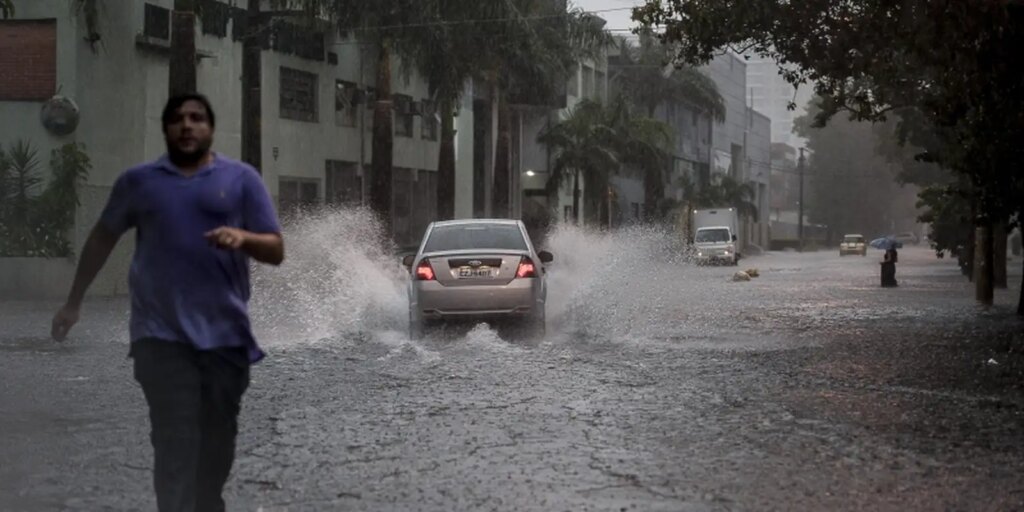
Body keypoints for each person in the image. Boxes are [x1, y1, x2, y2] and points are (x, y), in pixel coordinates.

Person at [50, 93, 284, 512]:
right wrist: (73, 302)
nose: (187, 125)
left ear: (210, 128)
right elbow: (103, 237)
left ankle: (207, 502)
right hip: (159, 337)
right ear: (166, 129)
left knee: (216, 446)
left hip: (226, 339)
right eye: (177, 119)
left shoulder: (242, 179)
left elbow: (275, 250)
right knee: (175, 441)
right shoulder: (138, 182)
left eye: (196, 118)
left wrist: (243, 238)